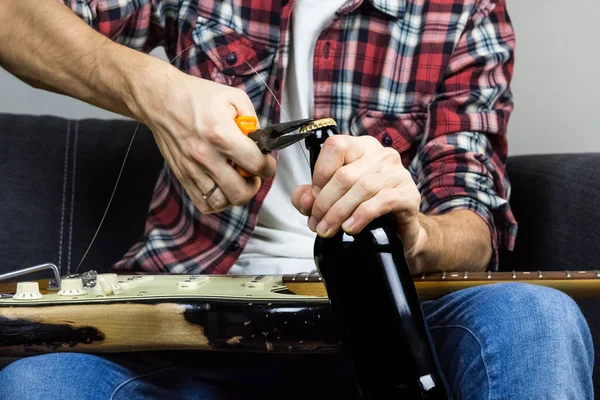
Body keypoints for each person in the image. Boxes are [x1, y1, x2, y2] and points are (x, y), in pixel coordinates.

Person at [0, 0, 593, 398]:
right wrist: (153, 90)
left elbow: (475, 223)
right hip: (190, 329)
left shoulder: (466, 12)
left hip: (391, 325)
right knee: (43, 381)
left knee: (536, 317)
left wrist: (415, 234)